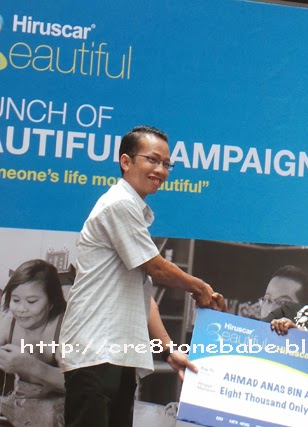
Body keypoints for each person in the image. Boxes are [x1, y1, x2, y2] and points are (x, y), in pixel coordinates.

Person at [59, 125, 219, 427]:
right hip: (95, 353)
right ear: (126, 161)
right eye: (152, 160)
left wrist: (169, 350)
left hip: (119, 356)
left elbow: (143, 296)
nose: (161, 170)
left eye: (166, 164)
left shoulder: (132, 210)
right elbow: (156, 268)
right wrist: (198, 287)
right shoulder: (119, 204)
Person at [0, 259, 67, 427]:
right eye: (15, 300)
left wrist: (29, 365)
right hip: (21, 402)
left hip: (58, 408)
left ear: (51, 302)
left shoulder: (63, 327)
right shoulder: (9, 322)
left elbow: (75, 384)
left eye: (31, 302)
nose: (21, 309)